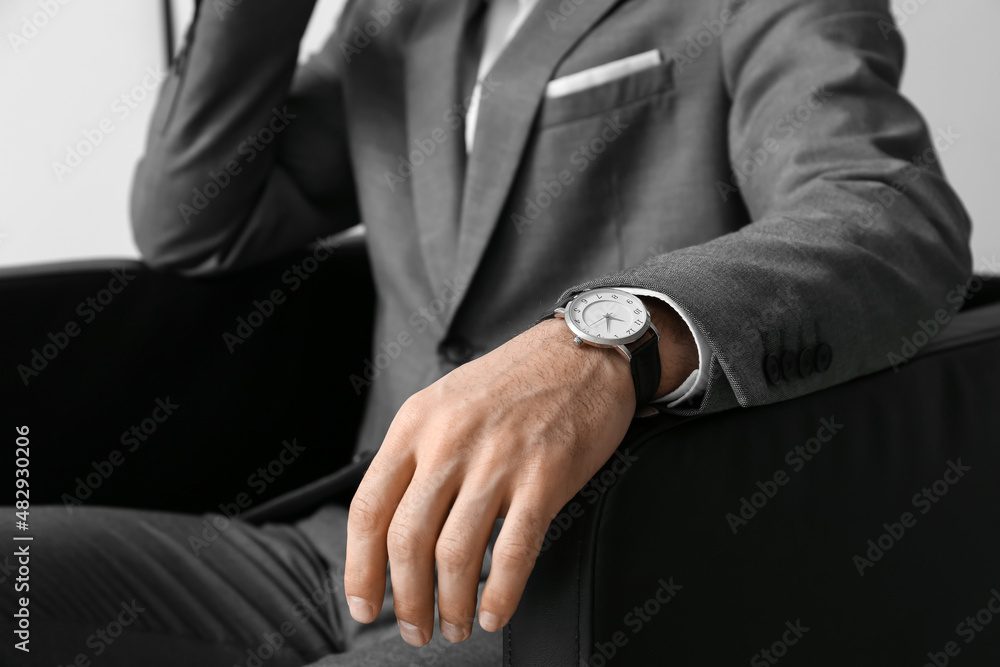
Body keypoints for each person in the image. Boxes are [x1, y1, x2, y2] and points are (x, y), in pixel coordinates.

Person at [3, 0, 972, 665]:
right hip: (343, 547)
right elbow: (195, 221)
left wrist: (606, 340)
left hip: (587, 566)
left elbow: (884, 212)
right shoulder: (397, 17)